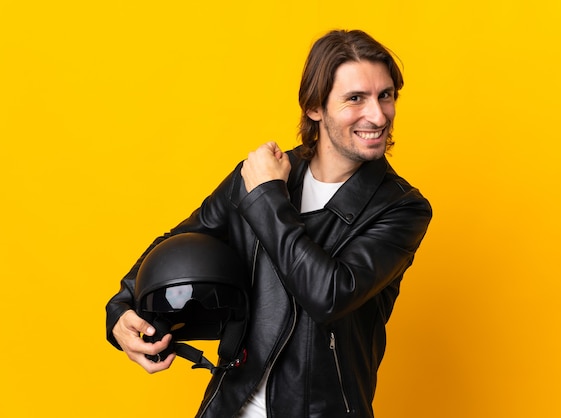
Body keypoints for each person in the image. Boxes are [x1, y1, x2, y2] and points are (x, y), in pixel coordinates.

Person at [106, 29, 432, 418]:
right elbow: (179, 242)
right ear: (315, 107)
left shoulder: (400, 208)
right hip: (228, 407)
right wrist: (120, 309)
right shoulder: (259, 175)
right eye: (355, 98)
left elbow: (328, 294)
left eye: (386, 95)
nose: (378, 115)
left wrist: (266, 197)